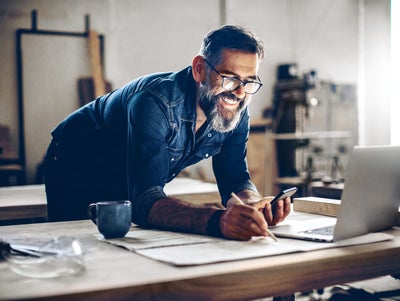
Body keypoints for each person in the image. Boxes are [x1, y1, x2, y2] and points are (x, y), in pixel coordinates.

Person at [44, 24, 291, 241]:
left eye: (248, 81)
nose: (239, 92)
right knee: (75, 248)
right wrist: (219, 220)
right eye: (229, 78)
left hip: (129, 176)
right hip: (76, 161)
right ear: (199, 69)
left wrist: (252, 205)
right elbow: (146, 201)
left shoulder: (235, 108)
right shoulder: (155, 102)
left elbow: (235, 178)